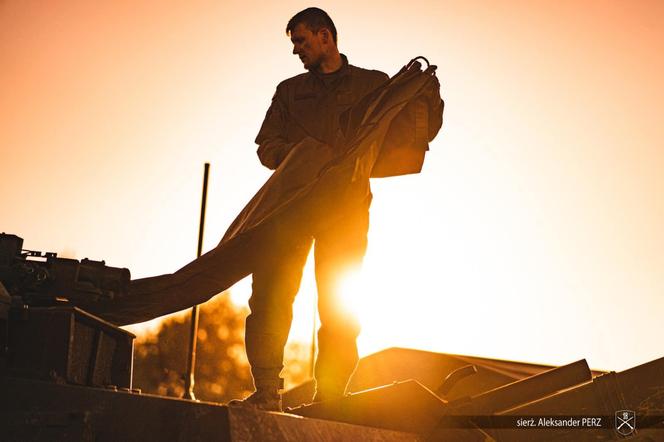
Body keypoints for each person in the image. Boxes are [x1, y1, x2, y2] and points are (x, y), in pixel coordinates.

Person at [233, 7, 389, 412]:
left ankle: (333, 398)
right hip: (290, 208)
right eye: (294, 43)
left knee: (339, 304)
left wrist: (427, 93)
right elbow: (266, 145)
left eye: (301, 41)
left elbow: (410, 129)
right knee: (269, 296)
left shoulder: (374, 86)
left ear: (325, 36)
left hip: (346, 210)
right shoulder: (289, 92)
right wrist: (304, 157)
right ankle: (267, 392)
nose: (297, 50)